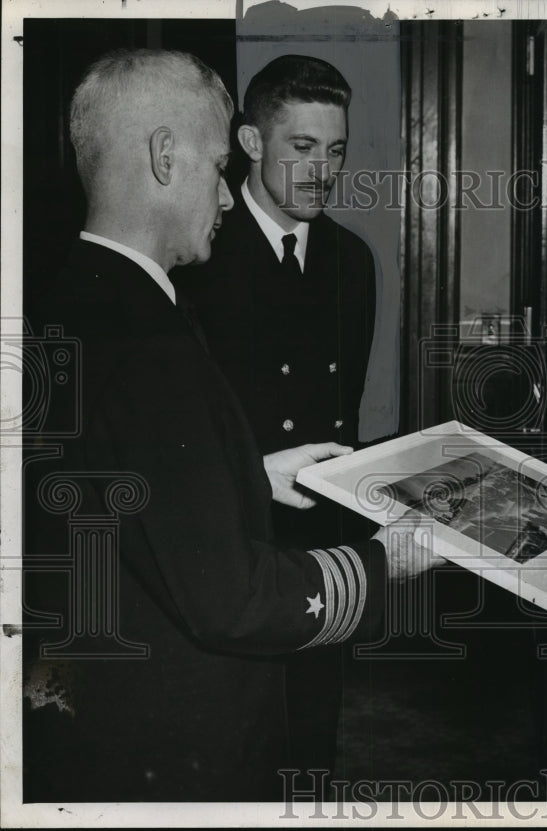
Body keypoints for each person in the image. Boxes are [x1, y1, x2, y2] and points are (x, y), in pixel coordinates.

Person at [22, 48, 438, 802]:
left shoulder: (74, 299)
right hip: (180, 714)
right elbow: (231, 597)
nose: (224, 195)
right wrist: (391, 564)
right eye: (220, 166)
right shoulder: (149, 335)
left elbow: (129, 486)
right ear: (164, 157)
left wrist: (252, 471)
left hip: (104, 684)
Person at [172, 53, 379, 775]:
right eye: (302, 147)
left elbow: (341, 415)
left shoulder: (353, 263)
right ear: (253, 144)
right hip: (229, 551)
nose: (322, 170)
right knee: (234, 750)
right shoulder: (197, 257)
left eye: (336, 150)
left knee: (313, 743)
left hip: (318, 550)